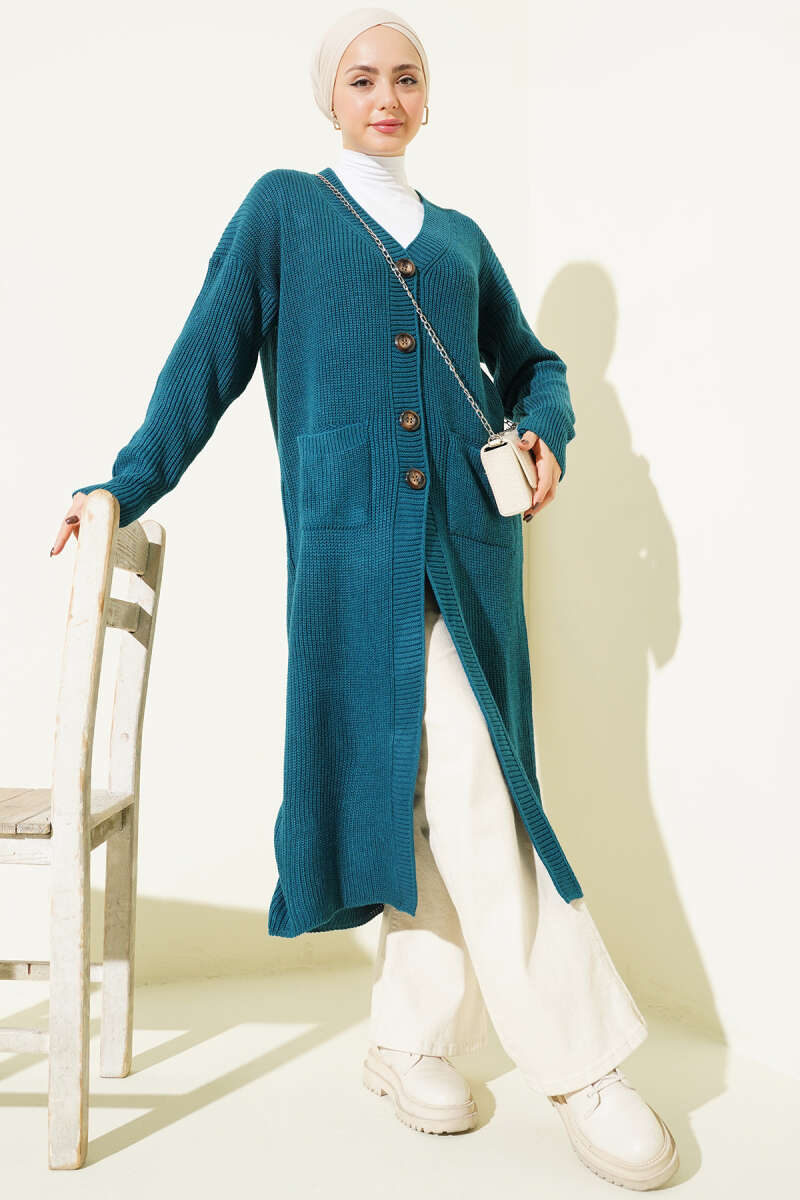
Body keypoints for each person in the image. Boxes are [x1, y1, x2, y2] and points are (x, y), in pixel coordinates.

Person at [51, 7, 679, 1190]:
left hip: (468, 561)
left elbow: (534, 367)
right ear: (327, 98)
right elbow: (203, 363)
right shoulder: (283, 212)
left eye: (405, 78)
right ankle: (433, 1043)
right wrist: (121, 484)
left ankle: (558, 1060)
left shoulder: (460, 240)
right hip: (348, 561)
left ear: (428, 100)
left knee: (474, 787)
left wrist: (544, 431)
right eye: (360, 79)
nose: (384, 96)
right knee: (413, 793)